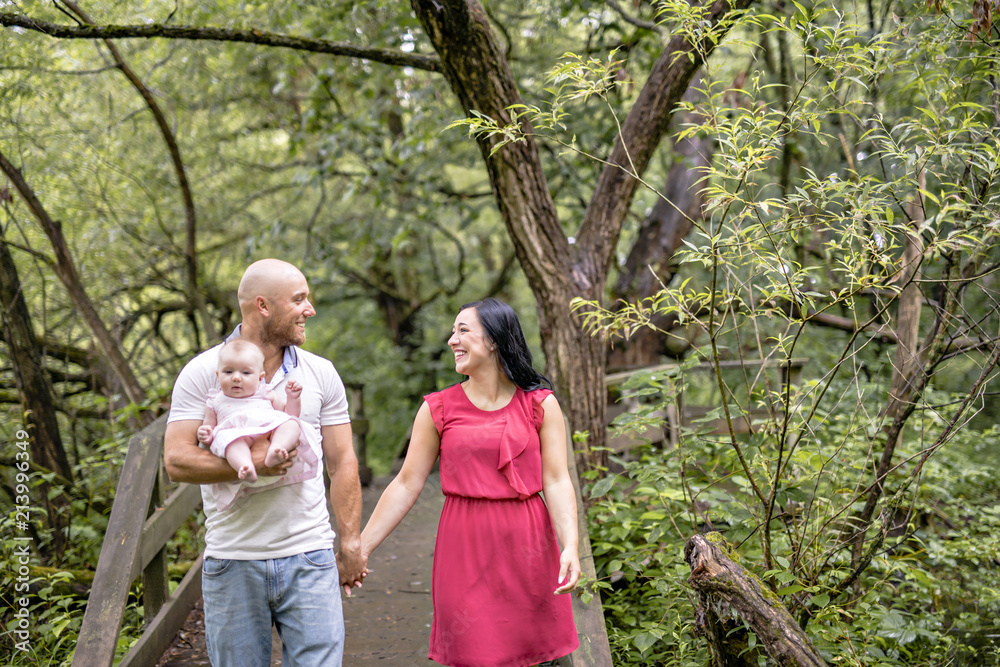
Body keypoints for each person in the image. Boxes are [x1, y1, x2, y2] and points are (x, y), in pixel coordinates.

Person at [164, 258, 366, 667]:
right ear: (263, 306)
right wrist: (254, 462)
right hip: (233, 560)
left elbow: (343, 462)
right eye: (299, 300)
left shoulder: (320, 373)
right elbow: (176, 460)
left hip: (309, 555)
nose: (309, 309)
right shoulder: (205, 371)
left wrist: (350, 543)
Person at [361, 297, 581, 667]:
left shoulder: (540, 404)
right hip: (464, 547)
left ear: (494, 339)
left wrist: (571, 545)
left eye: (463, 330)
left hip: (527, 544)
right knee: (473, 650)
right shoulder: (437, 408)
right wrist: (361, 548)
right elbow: (405, 484)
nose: (452, 340)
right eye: (452, 331)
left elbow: (557, 480)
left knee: (528, 653)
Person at [196, 338, 321, 510]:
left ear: (260, 377)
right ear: (218, 375)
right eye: (228, 372)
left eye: (246, 373)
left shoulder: (265, 393)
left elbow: (289, 414)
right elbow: (210, 428)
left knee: (291, 424)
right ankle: (245, 466)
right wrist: (206, 433)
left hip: (267, 432)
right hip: (237, 434)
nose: (237, 378)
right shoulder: (214, 401)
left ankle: (276, 449)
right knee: (228, 441)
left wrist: (293, 397)